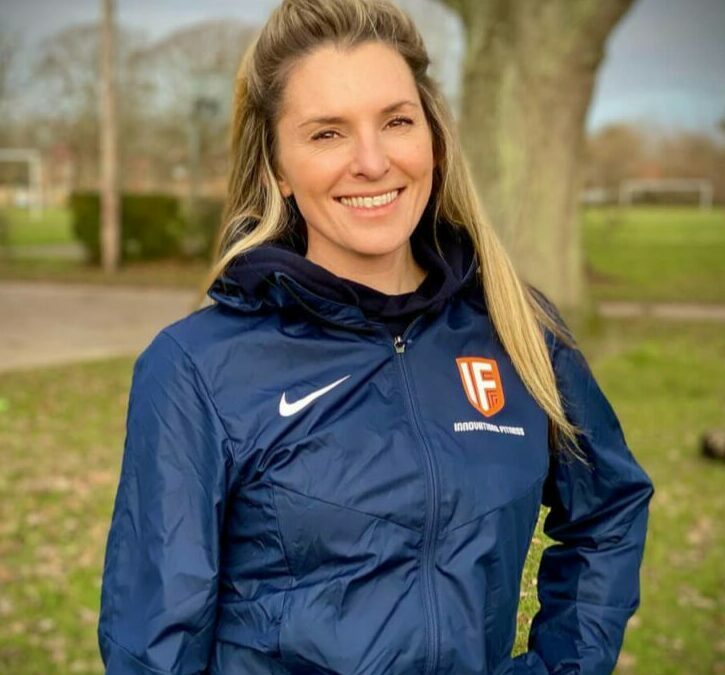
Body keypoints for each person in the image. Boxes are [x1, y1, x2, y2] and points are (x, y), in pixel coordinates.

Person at [98, 0, 654, 673]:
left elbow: (609, 509)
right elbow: (154, 649)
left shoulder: (517, 328)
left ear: (433, 140)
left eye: (395, 121)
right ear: (277, 167)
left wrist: (560, 665)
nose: (371, 160)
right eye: (327, 133)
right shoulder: (195, 367)